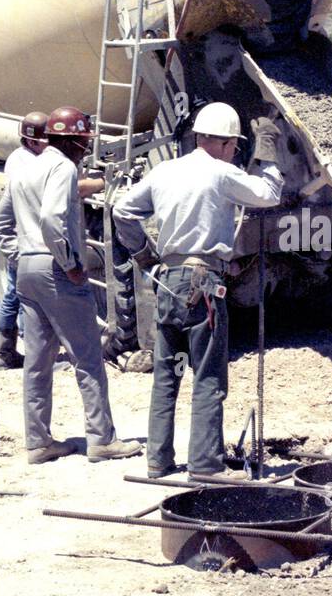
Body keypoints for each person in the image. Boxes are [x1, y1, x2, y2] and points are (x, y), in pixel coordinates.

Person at [113, 102, 282, 477]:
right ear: (225, 143)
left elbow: (122, 210)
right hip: (203, 284)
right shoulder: (222, 173)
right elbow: (269, 194)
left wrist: (143, 254)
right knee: (207, 375)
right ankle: (205, 465)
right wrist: (267, 149)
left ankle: (158, 461)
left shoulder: (165, 171)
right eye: (235, 145)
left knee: (167, 374)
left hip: (168, 282)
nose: (235, 151)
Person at [0, 105, 141, 465]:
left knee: (38, 361)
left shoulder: (25, 168)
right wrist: (70, 262)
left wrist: (24, 255)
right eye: (84, 143)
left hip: (28, 268)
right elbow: (51, 218)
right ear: (75, 141)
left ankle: (38, 442)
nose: (85, 150)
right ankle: (102, 439)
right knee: (87, 356)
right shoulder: (62, 167)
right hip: (56, 270)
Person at [0, 111, 49, 370]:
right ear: (33, 141)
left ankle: (6, 352)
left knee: (14, 295)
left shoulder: (19, 157)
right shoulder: (27, 162)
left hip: (18, 234)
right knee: (24, 297)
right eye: (46, 139)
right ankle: (24, 354)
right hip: (22, 235)